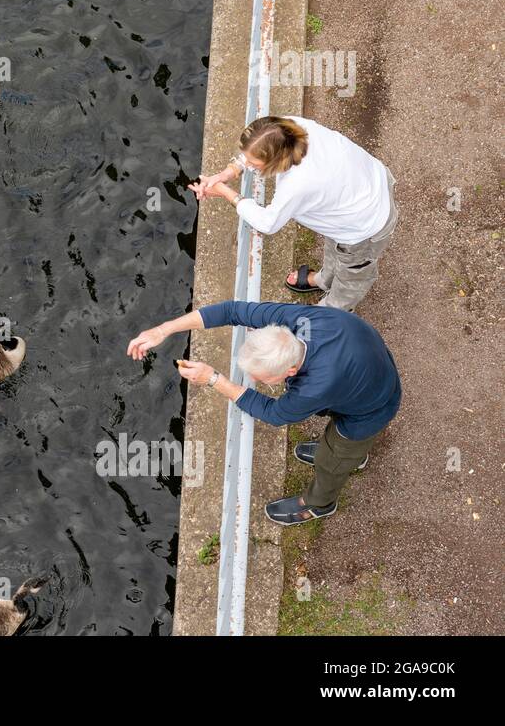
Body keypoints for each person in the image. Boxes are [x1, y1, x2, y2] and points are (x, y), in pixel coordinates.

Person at [126, 300, 401, 525]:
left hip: (371, 410)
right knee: (337, 440)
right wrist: (163, 330)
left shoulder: (315, 386)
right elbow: (231, 311)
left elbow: (275, 413)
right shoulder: (295, 320)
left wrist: (215, 380)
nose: (256, 382)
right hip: (371, 366)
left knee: (333, 461)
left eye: (264, 378)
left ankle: (320, 502)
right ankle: (347, 455)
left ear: (291, 371)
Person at [189, 115, 397, 312]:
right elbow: (253, 150)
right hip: (369, 180)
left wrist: (226, 193)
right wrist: (227, 173)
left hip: (367, 223)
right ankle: (324, 280)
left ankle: (331, 313)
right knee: (336, 244)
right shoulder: (284, 128)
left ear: (275, 161)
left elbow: (268, 223)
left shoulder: (298, 183)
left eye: (254, 163)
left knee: (352, 275)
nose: (249, 165)